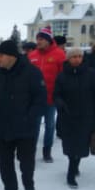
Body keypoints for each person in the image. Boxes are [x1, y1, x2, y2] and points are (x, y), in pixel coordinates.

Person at [0, 40, 47, 190]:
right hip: (3, 127)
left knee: (26, 163)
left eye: (0, 56)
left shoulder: (32, 72)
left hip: (25, 129)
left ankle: (29, 187)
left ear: (12, 56)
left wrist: (28, 118)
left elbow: (40, 100)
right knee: (5, 164)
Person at [54, 48, 95, 189]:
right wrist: (60, 103)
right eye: (74, 56)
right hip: (68, 116)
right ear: (68, 58)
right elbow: (56, 94)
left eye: (80, 56)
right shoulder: (62, 76)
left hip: (86, 116)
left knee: (81, 145)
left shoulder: (91, 74)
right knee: (70, 145)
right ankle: (72, 168)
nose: (77, 59)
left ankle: (72, 170)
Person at [28, 26, 66, 162]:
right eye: (37, 38)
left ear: (49, 40)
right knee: (35, 125)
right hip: (36, 99)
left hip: (51, 97)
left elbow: (64, 76)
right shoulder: (32, 55)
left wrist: (61, 94)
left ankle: (47, 151)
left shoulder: (59, 54)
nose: (38, 41)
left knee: (50, 125)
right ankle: (31, 151)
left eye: (42, 39)